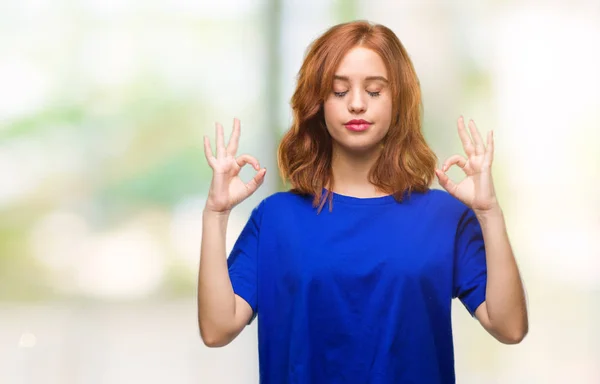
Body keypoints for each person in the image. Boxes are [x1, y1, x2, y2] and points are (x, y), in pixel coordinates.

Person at [197, 20, 528, 384]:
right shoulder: (276, 219)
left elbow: (509, 327)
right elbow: (217, 329)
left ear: (397, 100)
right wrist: (215, 214)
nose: (356, 104)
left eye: (374, 91)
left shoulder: (445, 217)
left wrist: (489, 212)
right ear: (317, 104)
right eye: (339, 92)